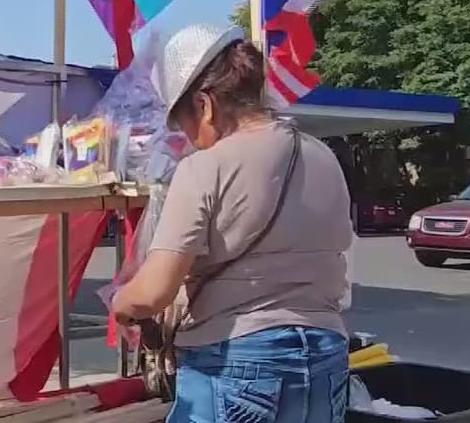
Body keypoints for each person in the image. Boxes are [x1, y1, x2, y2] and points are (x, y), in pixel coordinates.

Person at [110, 23, 354, 423]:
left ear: (204, 105)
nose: (188, 138)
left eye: (183, 123)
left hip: (237, 361)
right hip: (325, 352)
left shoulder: (204, 169)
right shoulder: (323, 157)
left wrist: (122, 303)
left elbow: (153, 292)